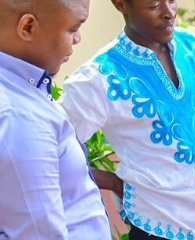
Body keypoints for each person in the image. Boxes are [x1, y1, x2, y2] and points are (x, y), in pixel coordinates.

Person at [59, 0, 195, 239]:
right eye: (154, 5)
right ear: (121, 4)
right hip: (157, 226)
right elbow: (50, 149)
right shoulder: (100, 77)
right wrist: (113, 181)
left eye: (172, 0)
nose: (168, 12)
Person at [0, 0, 111, 239]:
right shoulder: (20, 117)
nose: (78, 38)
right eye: (73, 28)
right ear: (27, 27)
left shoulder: (21, 87)